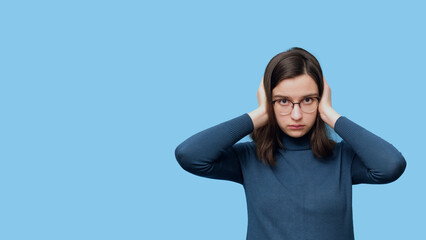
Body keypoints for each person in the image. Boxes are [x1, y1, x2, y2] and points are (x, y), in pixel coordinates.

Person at [174, 47, 406, 240]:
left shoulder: (344, 158)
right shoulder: (248, 158)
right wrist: (259, 114)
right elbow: (189, 155)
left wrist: (331, 115)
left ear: (320, 99)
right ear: (269, 100)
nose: (296, 115)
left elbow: (391, 165)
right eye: (283, 101)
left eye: (307, 100)